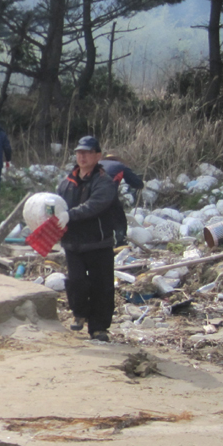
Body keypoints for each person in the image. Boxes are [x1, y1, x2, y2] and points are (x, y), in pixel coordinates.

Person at [55, 135, 119, 343]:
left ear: (97, 156)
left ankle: (99, 328)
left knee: (103, 286)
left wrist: (69, 216)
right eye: (79, 153)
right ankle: (80, 312)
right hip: (73, 243)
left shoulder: (104, 182)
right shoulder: (66, 183)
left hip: (99, 242)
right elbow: (56, 205)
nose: (82, 157)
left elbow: (95, 205)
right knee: (76, 282)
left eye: (87, 153)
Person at [99, 153, 144, 247]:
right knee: (120, 221)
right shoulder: (120, 166)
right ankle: (120, 244)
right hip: (107, 195)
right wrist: (141, 183)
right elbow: (137, 183)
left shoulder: (95, 164)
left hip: (87, 196)